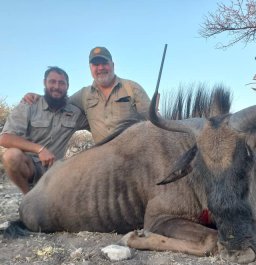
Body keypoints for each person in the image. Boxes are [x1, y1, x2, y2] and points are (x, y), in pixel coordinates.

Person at [23, 47, 151, 143]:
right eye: (96, 64)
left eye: (104, 63)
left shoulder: (132, 88)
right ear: (90, 68)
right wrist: (40, 97)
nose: (100, 68)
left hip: (134, 156)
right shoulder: (84, 94)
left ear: (112, 65)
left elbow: (153, 122)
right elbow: (60, 101)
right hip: (104, 159)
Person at [0, 67, 89, 194]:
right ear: (44, 83)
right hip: (30, 166)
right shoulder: (28, 105)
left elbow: (96, 124)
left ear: (67, 86)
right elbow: (4, 138)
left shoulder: (75, 112)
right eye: (52, 82)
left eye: (61, 83)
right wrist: (40, 149)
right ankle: (27, 197)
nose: (56, 87)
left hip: (57, 169)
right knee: (11, 156)